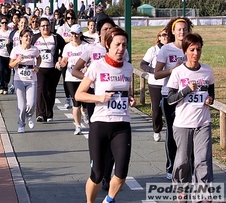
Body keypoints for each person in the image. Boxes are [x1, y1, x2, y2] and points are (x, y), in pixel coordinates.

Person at [75, 27, 135, 203]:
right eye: (117, 44)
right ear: (108, 45)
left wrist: (129, 98)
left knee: (122, 172)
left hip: (122, 124)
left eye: (124, 45)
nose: (121, 49)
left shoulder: (128, 68)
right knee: (97, 174)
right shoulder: (97, 66)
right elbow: (79, 94)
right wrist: (99, 97)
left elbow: (126, 91)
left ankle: (109, 199)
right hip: (100, 124)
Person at [166, 33, 215, 192]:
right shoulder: (178, 72)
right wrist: (186, 90)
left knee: (202, 160)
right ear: (185, 51)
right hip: (183, 124)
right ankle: (182, 191)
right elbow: (170, 99)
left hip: (203, 123)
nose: (196, 53)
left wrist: (210, 99)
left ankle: (203, 193)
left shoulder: (207, 71)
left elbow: (211, 93)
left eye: (199, 49)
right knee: (182, 161)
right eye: (192, 50)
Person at [154, 17, 193, 180]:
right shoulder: (166, 49)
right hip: (169, 95)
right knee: (172, 131)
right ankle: (171, 167)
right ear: (173, 31)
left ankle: (187, 167)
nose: (182, 32)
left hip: (187, 96)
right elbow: (156, 74)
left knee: (188, 132)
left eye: (185, 29)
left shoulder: (190, 48)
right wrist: (174, 70)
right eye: (179, 29)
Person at [32, 17, 66, 122]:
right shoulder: (35, 38)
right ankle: (40, 114)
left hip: (53, 68)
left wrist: (60, 58)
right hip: (40, 68)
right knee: (41, 89)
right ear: (39, 27)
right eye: (43, 26)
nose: (45, 27)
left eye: (47, 25)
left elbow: (65, 48)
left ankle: (49, 114)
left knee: (51, 91)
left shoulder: (55, 37)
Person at [57, 24, 89, 135]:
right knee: (76, 102)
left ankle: (85, 112)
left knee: (83, 103)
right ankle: (78, 126)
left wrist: (86, 67)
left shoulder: (86, 46)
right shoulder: (67, 47)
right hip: (70, 77)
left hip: (83, 77)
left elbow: (90, 60)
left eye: (76, 33)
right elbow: (65, 59)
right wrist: (61, 63)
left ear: (80, 34)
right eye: (72, 33)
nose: (74, 36)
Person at [9, 29, 41, 133]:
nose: (28, 38)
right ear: (21, 38)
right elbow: (10, 65)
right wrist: (17, 61)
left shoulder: (34, 49)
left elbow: (39, 58)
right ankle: (21, 124)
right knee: (21, 106)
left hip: (32, 80)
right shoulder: (16, 50)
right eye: (26, 36)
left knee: (31, 104)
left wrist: (37, 66)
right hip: (19, 80)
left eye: (30, 36)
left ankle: (30, 116)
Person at [140, 27, 168, 142]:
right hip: (155, 83)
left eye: (168, 35)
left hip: (169, 83)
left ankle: (172, 130)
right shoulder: (153, 50)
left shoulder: (174, 49)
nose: (166, 37)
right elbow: (143, 64)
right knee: (156, 109)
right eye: (164, 35)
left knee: (169, 108)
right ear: (159, 37)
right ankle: (157, 130)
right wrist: (154, 71)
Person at [57, 9, 77, 109]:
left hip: (75, 54)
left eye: (72, 18)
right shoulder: (61, 29)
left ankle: (75, 98)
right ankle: (67, 97)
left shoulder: (76, 28)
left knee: (76, 77)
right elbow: (58, 40)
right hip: (64, 53)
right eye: (68, 18)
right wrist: (66, 39)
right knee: (66, 77)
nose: (70, 20)